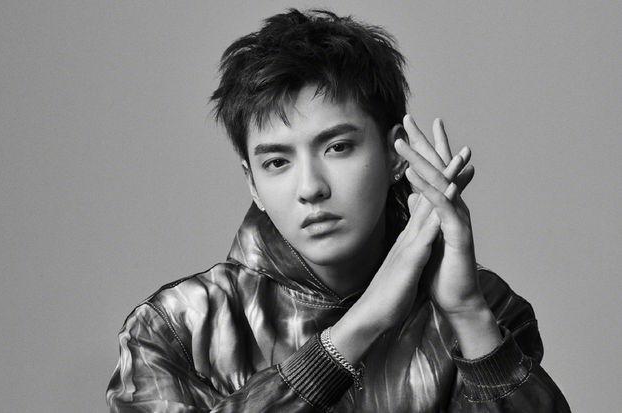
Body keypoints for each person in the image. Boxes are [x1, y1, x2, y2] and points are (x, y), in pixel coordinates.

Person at [106, 9, 570, 412]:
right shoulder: (177, 328)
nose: (311, 188)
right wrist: (357, 328)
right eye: (277, 162)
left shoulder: (484, 307)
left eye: (338, 147)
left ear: (396, 155)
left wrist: (468, 313)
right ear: (252, 183)